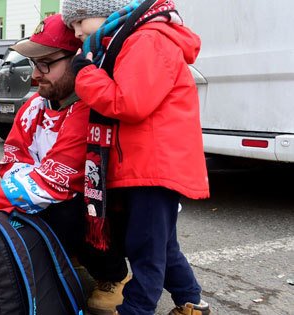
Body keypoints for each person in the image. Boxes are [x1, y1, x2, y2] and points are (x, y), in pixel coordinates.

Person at [0, 14, 130, 315]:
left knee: (63, 206)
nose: (36, 75)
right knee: (14, 201)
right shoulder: (34, 105)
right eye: (34, 64)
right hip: (57, 193)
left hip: (105, 205)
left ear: (77, 59)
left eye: (46, 63)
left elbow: (54, 181)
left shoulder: (90, 108)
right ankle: (67, 252)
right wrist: (15, 190)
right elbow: (12, 157)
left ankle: (114, 273)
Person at [64, 1, 211, 314]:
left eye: (79, 21)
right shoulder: (134, 38)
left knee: (145, 247)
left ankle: (136, 309)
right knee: (162, 245)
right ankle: (191, 302)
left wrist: (85, 73)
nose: (76, 32)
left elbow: (129, 102)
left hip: (153, 164)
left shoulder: (147, 39)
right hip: (147, 162)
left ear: (108, 11)